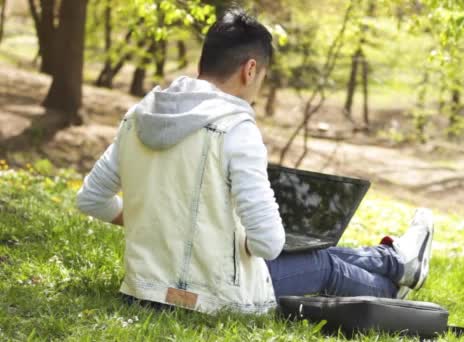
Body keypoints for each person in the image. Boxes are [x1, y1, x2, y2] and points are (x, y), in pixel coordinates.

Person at [76, 8, 434, 314]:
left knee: (322, 250)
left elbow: (91, 199)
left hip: (144, 289)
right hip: (216, 294)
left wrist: (153, 221)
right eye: (262, 76)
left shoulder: (139, 115)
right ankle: (392, 292)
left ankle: (397, 261)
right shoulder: (236, 128)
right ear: (250, 69)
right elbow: (268, 244)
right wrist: (232, 238)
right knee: (319, 261)